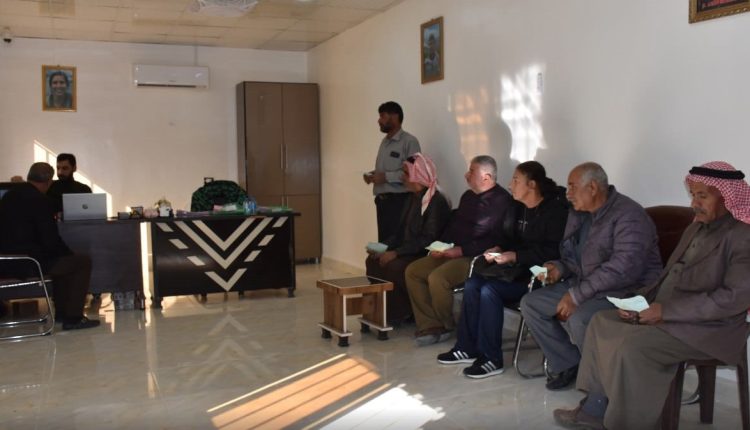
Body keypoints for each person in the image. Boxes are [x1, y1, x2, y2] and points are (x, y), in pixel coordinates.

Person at [553, 161, 750, 430]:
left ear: (727, 197)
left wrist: (665, 311)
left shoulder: (742, 236)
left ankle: (627, 423)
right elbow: (666, 276)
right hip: (670, 314)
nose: (694, 203)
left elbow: (733, 299)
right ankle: (596, 407)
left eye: (702, 196)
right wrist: (639, 302)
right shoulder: (696, 228)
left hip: (711, 327)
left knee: (633, 346)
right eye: (693, 195)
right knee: (601, 322)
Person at [520, 162, 662, 390]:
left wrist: (576, 295)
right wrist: (558, 268)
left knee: (580, 318)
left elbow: (623, 268)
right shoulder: (578, 213)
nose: (568, 193)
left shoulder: (629, 215)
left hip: (625, 292)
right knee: (531, 304)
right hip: (587, 285)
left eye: (572, 187)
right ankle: (569, 363)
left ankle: (601, 387)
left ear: (593, 188)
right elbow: (572, 257)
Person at [437, 161, 568, 378]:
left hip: (537, 278)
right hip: (512, 272)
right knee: (473, 283)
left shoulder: (554, 212)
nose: (510, 185)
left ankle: (491, 359)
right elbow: (507, 237)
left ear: (532, 185)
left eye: (516, 180)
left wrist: (515, 255)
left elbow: (553, 252)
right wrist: (498, 249)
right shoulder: (517, 208)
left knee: (489, 291)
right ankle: (466, 347)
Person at [405, 155, 513, 346]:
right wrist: (441, 246)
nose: (466, 175)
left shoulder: (502, 201)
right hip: (452, 251)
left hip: (475, 257)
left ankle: (446, 325)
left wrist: (461, 251)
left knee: (438, 278)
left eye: (471, 171)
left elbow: (497, 240)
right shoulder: (468, 196)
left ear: (486, 177)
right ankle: (430, 324)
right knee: (413, 271)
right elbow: (453, 226)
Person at [0, 162, 99, 330]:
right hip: (28, 263)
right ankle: (73, 318)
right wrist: (69, 253)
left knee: (62, 261)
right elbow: (50, 240)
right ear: (48, 182)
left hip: (5, 261)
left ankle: (62, 313)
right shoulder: (40, 201)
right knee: (80, 262)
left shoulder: (8, 196)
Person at [365, 153, 451, 324]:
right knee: (373, 260)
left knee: (394, 266)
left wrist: (396, 253)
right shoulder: (412, 198)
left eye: (406, 173)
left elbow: (429, 240)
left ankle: (402, 313)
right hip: (408, 249)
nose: (402, 177)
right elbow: (400, 233)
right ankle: (381, 310)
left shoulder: (436, 201)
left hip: (425, 253)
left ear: (417, 175)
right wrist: (382, 246)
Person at [363, 101, 421, 242]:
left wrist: (385, 177)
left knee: (396, 244)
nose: (379, 120)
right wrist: (373, 175)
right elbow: (388, 170)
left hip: (400, 202)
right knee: (383, 245)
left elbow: (412, 173)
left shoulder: (410, 142)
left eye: (382, 116)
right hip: (382, 203)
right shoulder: (384, 142)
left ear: (395, 117)